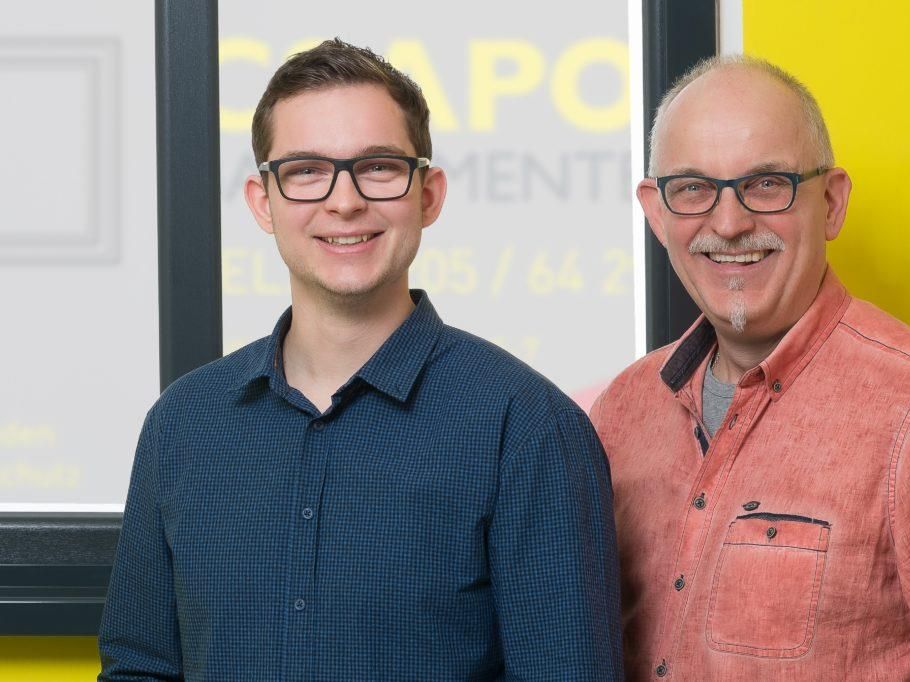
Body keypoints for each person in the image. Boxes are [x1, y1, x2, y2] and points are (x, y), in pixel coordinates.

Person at [99, 39, 622, 681]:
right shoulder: (182, 424)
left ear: (428, 195)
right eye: (306, 171)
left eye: (377, 167)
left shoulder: (529, 426)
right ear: (263, 202)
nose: (344, 202)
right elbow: (139, 669)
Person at [590, 54, 910, 680]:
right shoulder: (625, 409)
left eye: (767, 184)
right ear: (657, 213)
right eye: (693, 189)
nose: (730, 223)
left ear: (832, 201)